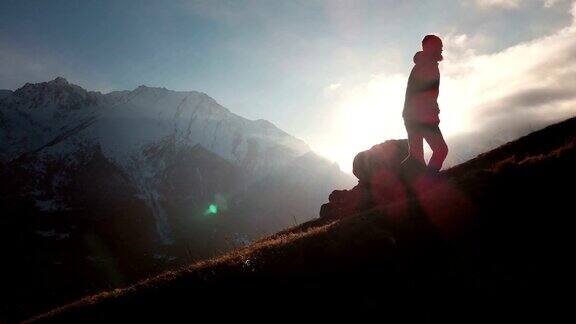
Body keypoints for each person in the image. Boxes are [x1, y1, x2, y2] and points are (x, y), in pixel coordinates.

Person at [402, 34, 448, 173]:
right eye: (439, 46)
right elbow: (423, 96)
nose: (441, 49)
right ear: (430, 47)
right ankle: (429, 182)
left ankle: (391, 185)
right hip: (419, 116)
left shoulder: (425, 64)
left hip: (411, 116)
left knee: (416, 158)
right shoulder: (426, 65)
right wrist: (432, 114)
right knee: (440, 150)